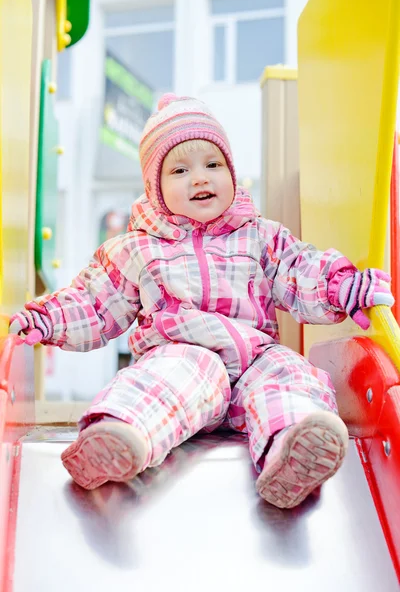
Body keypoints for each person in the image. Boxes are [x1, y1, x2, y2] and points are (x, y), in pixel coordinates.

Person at [10, 93, 394, 509]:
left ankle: (293, 448)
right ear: (155, 189)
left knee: (289, 372)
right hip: (184, 354)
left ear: (230, 172)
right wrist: (48, 319)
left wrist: (342, 288)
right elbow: (95, 303)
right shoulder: (138, 249)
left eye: (213, 165)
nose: (200, 178)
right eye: (180, 170)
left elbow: (301, 273)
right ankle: (120, 437)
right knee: (170, 376)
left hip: (253, 358)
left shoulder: (259, 235)